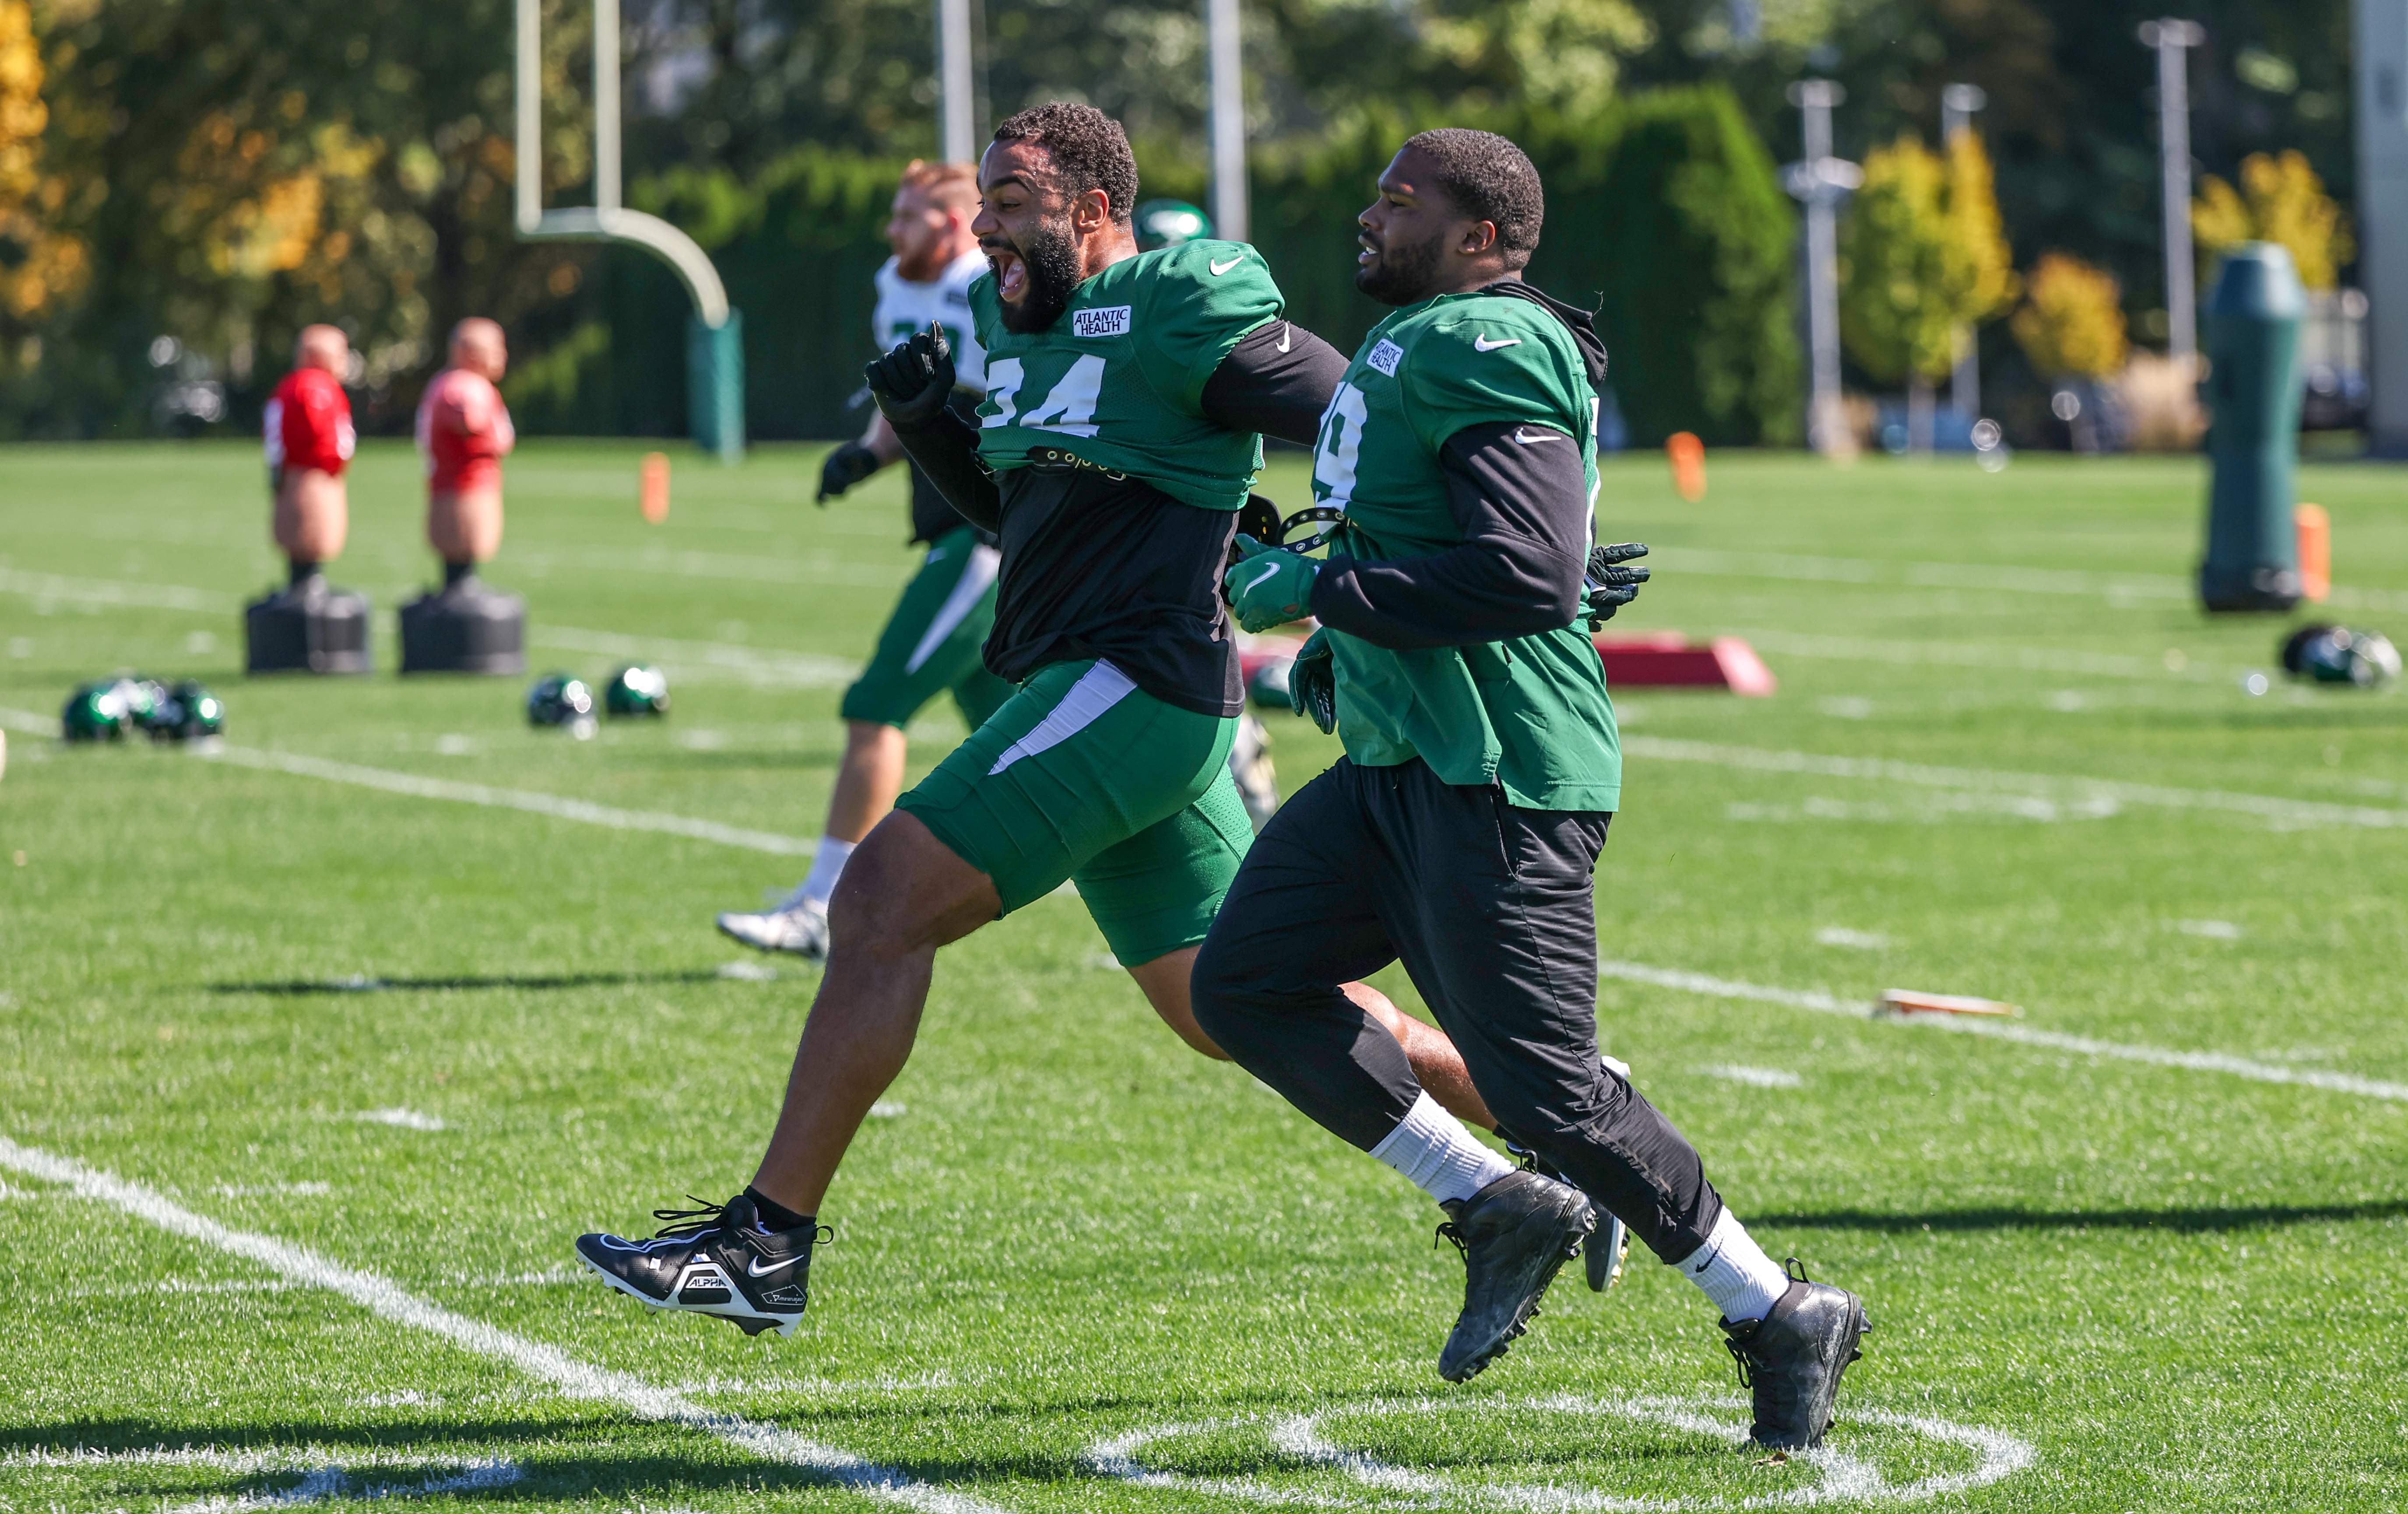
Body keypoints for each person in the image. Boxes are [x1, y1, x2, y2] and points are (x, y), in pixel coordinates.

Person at [576, 103, 1495, 1337]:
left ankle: (765, 1246)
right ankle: (1548, 1145)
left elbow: (1356, 416)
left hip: (1134, 682)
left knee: (877, 904)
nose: (980, 230)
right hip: (1093, 687)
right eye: (980, 206)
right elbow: (1018, 516)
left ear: (1094, 209)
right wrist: (923, 425)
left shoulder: (1180, 298)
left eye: (1008, 204)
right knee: (1232, 1006)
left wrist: (1498, 524)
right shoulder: (1007, 327)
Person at [1191, 129, 1870, 1449]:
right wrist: (1334, 614)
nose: (1369, 218)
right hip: (1398, 762)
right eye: (1378, 194)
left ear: (1483, 237)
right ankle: (1495, 1200)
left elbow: (1532, 574)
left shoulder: (1490, 342)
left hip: (1497, 772)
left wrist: (1315, 589)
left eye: (1402, 203)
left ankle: (1778, 1306)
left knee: (1553, 1088)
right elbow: (1433, 539)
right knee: (1245, 986)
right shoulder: (1423, 339)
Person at [717, 160, 1016, 960]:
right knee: (1020, 737)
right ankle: (1219, 833)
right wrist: (863, 456)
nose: (890, 232)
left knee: (876, 702)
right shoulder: (897, 284)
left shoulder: (995, 285)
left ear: (953, 224)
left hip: (987, 538)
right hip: (946, 526)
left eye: (906, 216)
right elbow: (908, 403)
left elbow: (1013, 408)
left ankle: (823, 903)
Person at [414, 318, 516, 596]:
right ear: (471, 352)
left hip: (452, 487)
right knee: (462, 544)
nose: (502, 355)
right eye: (496, 347)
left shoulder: (453, 384)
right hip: (464, 490)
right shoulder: (465, 388)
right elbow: (470, 419)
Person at [264, 325, 357, 594]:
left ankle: (303, 579)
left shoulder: (291, 385)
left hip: (295, 476)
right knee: (310, 534)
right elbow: (332, 438)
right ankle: (307, 582)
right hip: (314, 478)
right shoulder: (315, 388)